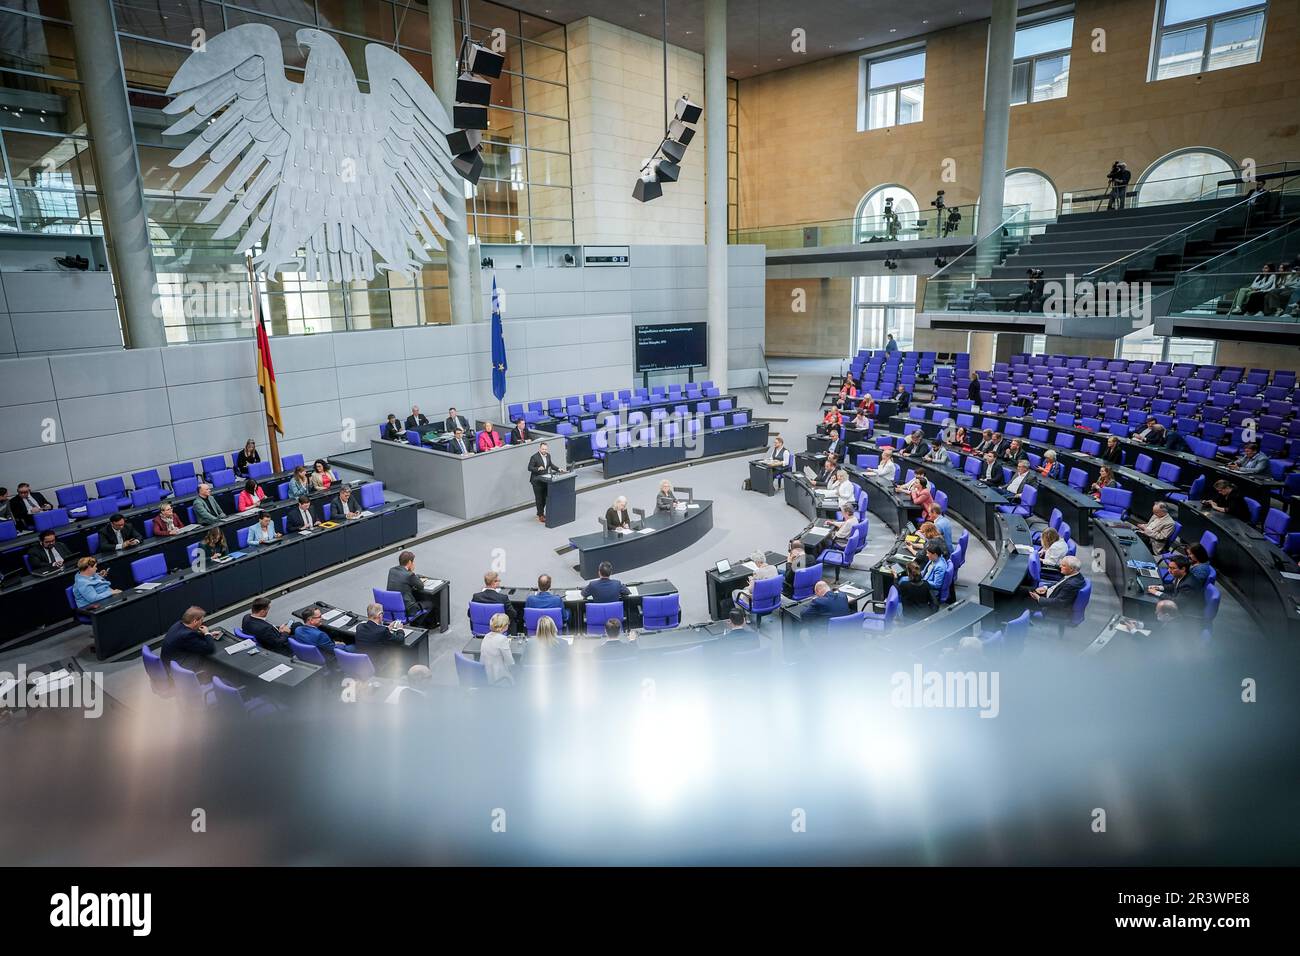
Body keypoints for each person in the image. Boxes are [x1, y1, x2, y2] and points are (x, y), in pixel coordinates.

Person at [1025, 555, 1085, 619]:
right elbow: (1059, 584)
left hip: (1052, 608)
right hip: (1051, 595)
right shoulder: (1075, 575)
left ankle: (1020, 622)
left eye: (1063, 565)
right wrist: (1045, 588)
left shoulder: (1071, 584)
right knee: (1022, 590)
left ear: (1071, 569)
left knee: (1019, 598)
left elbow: (1058, 602)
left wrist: (1039, 598)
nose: (1060, 566)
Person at [387, 551, 434, 625]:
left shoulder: (392, 570)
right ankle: (416, 625)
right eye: (413, 562)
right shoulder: (409, 575)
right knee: (430, 604)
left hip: (391, 607)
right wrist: (411, 571)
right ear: (409, 562)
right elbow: (420, 586)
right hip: (407, 609)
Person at [527, 441, 560, 522]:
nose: (544, 450)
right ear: (540, 449)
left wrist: (558, 469)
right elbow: (529, 467)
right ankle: (541, 515)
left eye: (546, 449)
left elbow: (551, 465)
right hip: (536, 480)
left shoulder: (548, 455)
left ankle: (539, 512)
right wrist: (538, 468)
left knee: (545, 497)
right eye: (543, 449)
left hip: (545, 480)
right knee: (539, 498)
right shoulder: (534, 457)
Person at [480, 614, 515, 686]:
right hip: (500, 677)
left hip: (486, 674)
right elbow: (510, 662)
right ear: (504, 626)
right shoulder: (503, 639)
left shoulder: (486, 636)